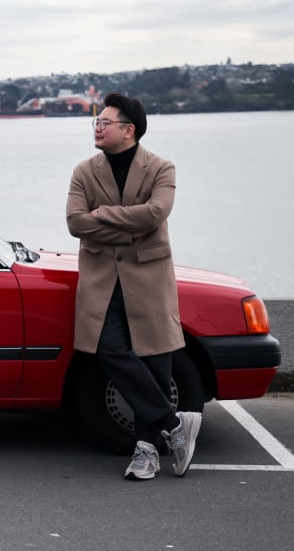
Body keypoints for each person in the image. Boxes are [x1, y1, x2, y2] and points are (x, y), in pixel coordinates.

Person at [66, 93, 201, 480]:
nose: (97, 126)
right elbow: (75, 221)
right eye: (96, 122)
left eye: (105, 122)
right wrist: (130, 222)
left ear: (129, 130)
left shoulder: (161, 168)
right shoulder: (84, 171)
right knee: (108, 349)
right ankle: (176, 425)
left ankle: (146, 451)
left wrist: (103, 215)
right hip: (102, 279)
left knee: (157, 360)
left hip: (148, 276)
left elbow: (157, 213)